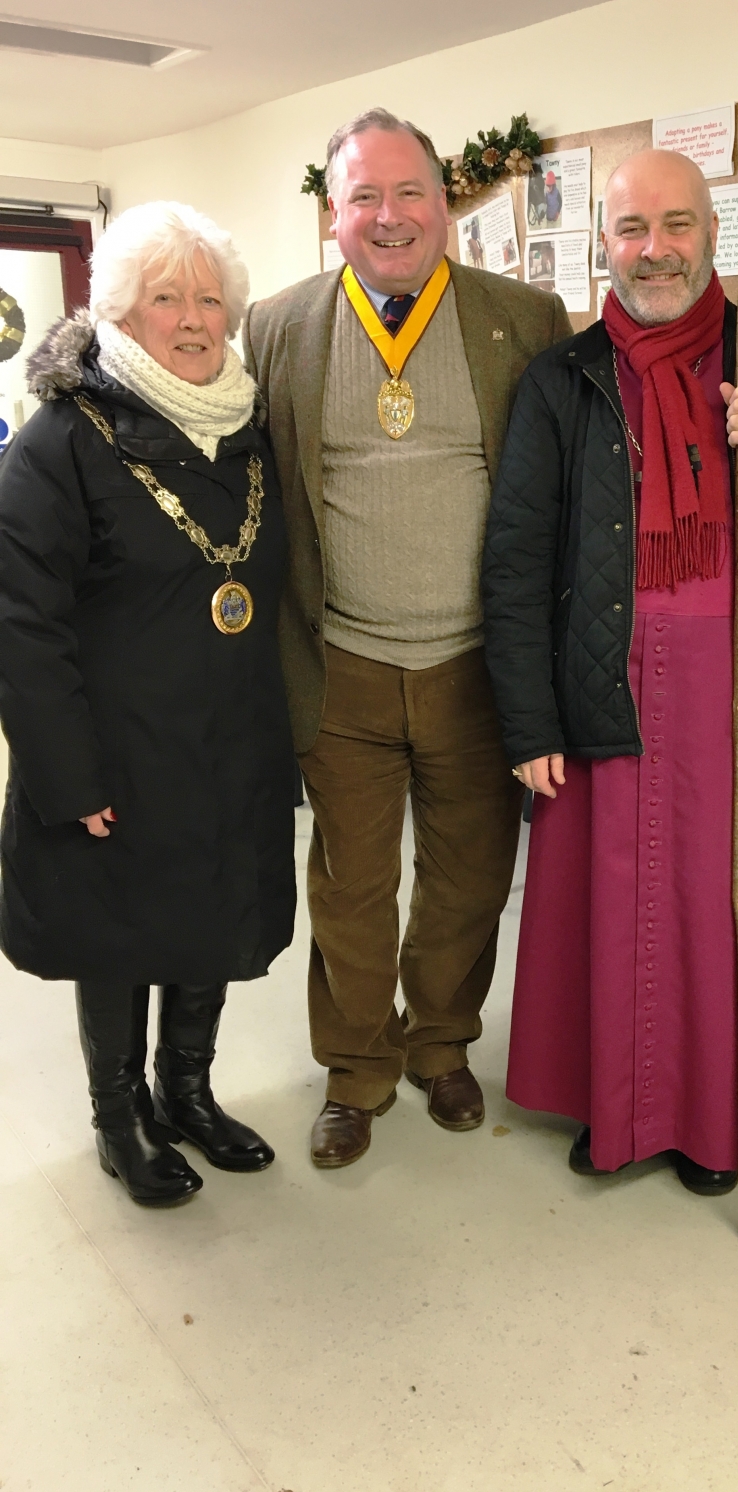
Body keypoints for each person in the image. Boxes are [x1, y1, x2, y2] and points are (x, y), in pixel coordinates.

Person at [483, 148, 738, 1192]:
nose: (654, 250)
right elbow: (516, 561)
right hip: (605, 687)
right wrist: (529, 725)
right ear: (603, 244)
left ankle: (716, 1118)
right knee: (615, 907)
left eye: (676, 225)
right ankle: (618, 1107)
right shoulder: (560, 383)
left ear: (713, 233)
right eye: (630, 229)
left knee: (723, 907)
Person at [244, 109, 570, 1168]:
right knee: (349, 888)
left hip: (479, 666)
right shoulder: (278, 328)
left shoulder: (524, 319)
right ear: (333, 216)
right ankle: (356, 1068)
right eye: (364, 198)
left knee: (472, 877)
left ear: (445, 202)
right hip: (340, 661)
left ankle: (439, 1045)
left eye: (409, 193)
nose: (389, 216)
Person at [0, 202, 295, 1208]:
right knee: (120, 932)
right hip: (115, 754)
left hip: (226, 739)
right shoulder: (58, 444)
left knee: (208, 914)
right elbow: (22, 625)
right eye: (166, 297)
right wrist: (66, 776)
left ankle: (188, 1093)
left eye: (211, 298)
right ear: (120, 313)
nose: (194, 318)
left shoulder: (245, 430)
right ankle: (118, 1117)